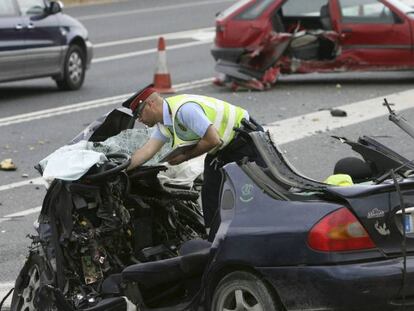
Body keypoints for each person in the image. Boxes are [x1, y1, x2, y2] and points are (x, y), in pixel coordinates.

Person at [123, 84, 260, 237]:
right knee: (211, 195)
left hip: (246, 139)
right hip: (224, 148)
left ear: (150, 104)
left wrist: (184, 157)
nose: (139, 119)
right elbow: (146, 151)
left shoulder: (184, 110)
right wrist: (122, 169)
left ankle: (254, 235)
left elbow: (212, 140)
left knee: (250, 193)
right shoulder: (165, 122)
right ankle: (214, 241)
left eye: (139, 114)